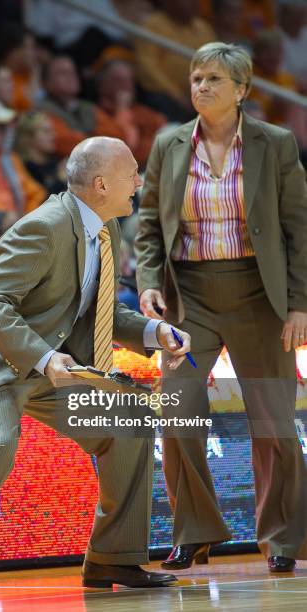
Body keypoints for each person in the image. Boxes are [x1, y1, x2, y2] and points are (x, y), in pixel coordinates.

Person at [0, 136, 191, 600]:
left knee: (130, 420)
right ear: (103, 183)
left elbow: (98, 311)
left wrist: (154, 333)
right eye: (133, 172)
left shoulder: (100, 230)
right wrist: (46, 359)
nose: (139, 181)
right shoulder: (46, 226)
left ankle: (116, 558)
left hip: (40, 363)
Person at [135, 42, 307, 574]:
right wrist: (146, 282)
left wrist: (299, 303)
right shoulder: (167, 144)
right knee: (178, 409)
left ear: (242, 90)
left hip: (261, 297)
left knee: (274, 421)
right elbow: (146, 225)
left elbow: (299, 229)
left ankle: (283, 539)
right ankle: (195, 532)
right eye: (196, 78)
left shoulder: (274, 143)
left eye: (213, 79)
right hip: (192, 299)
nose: (201, 87)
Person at [134, 0, 216, 122]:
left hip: (197, 93)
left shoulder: (204, 29)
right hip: (164, 94)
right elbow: (147, 67)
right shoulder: (152, 24)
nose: (193, 4)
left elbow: (215, 65)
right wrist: (177, 95)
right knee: (165, 103)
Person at [38, 55, 124, 157]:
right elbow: (66, 144)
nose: (70, 76)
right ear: (45, 83)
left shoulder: (88, 107)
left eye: (72, 71)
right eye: (62, 73)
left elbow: (118, 137)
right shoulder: (42, 110)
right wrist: (98, 139)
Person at [96, 59, 167, 170]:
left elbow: (164, 129)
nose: (126, 85)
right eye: (118, 80)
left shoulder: (139, 110)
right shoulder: (96, 115)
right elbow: (122, 148)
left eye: (129, 80)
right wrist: (122, 109)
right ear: (103, 84)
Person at [14, 111, 67, 196]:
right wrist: (60, 180)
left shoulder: (57, 163)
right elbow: (39, 203)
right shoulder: (22, 168)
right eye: (46, 131)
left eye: (52, 131)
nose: (53, 136)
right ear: (28, 137)